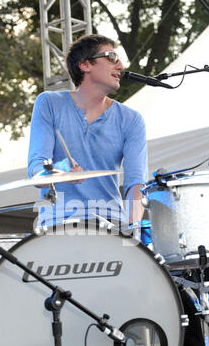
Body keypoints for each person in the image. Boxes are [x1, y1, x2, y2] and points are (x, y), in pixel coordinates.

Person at [27, 34, 148, 228]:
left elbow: (137, 184)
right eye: (111, 58)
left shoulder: (131, 119)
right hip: (57, 222)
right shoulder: (48, 103)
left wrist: (133, 228)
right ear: (85, 64)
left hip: (111, 222)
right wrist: (62, 169)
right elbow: (36, 170)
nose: (121, 66)